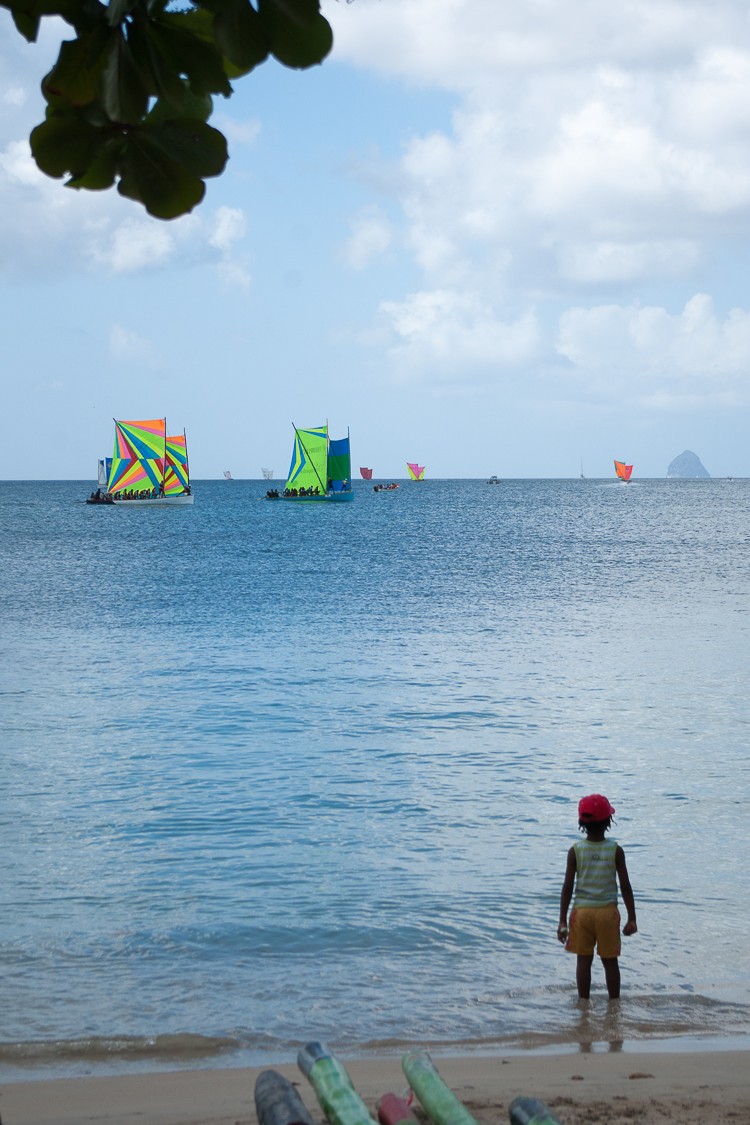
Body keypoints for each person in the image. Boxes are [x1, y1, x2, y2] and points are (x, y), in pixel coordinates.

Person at [558, 793, 637, 1000]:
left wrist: (562, 921)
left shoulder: (575, 851)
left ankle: (583, 1004)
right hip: (607, 913)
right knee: (610, 962)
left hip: (581, 914)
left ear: (581, 823)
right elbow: (625, 886)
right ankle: (614, 1004)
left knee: (583, 961)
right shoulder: (615, 850)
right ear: (608, 822)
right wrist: (632, 918)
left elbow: (567, 887)